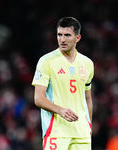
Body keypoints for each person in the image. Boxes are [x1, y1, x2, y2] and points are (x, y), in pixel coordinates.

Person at [32, 17, 94, 150]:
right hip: (57, 132)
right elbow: (38, 98)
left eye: (67, 35)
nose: (62, 39)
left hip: (81, 134)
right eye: (59, 35)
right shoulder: (46, 61)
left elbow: (87, 98)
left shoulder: (87, 64)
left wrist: (88, 125)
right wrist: (60, 110)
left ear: (77, 38)